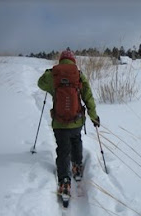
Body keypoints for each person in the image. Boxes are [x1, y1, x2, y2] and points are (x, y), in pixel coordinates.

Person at [38, 50, 100, 195]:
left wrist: (49, 75)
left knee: (63, 150)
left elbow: (40, 84)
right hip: (76, 121)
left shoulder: (53, 74)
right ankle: (77, 166)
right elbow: (88, 97)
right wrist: (94, 116)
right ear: (73, 61)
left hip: (59, 123)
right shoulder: (78, 75)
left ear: (61, 60)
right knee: (76, 140)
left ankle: (64, 181)